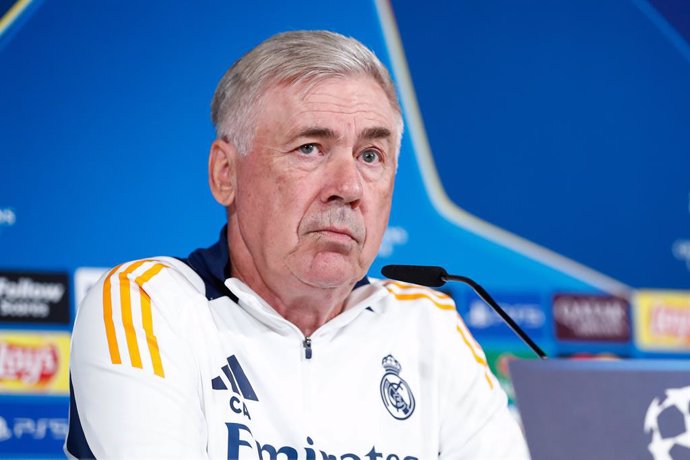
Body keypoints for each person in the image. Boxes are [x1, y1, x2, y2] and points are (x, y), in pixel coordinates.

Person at [65, 30, 530, 459]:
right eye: (310, 148)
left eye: (371, 156)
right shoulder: (150, 304)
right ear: (226, 174)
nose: (347, 186)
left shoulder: (430, 327)